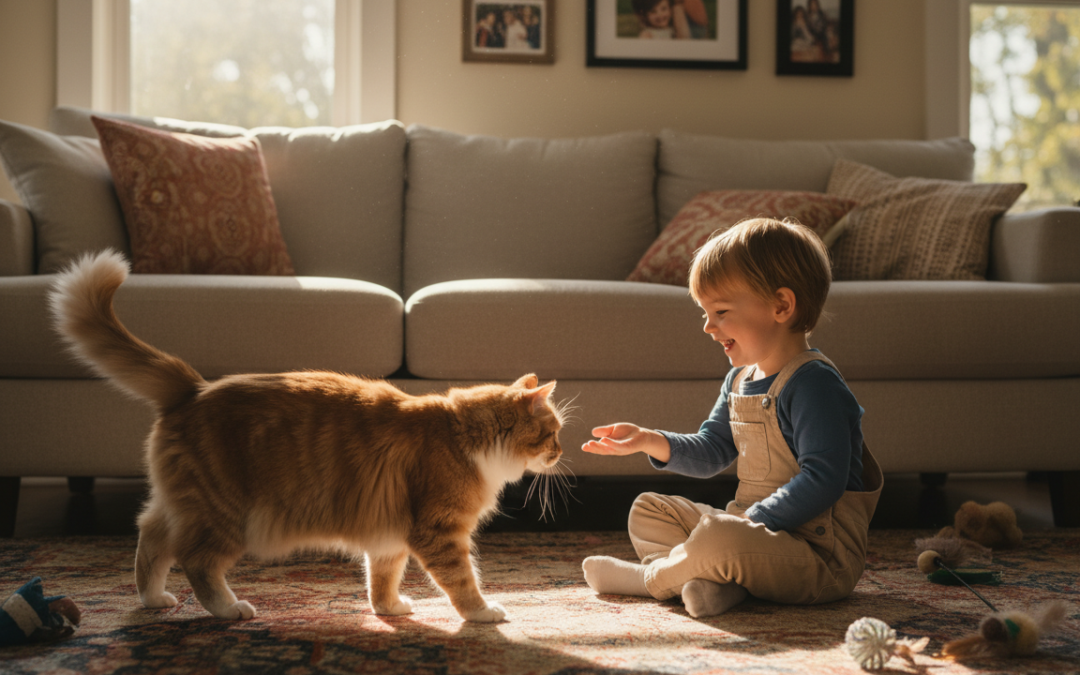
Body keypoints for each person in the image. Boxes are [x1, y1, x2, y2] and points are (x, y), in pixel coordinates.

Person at [580, 218, 883, 618]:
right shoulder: (740, 379)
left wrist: (748, 524)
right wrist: (649, 440)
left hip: (817, 557)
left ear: (781, 306)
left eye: (720, 311)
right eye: (705, 313)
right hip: (749, 532)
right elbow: (713, 449)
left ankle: (649, 581)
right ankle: (717, 587)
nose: (708, 327)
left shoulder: (814, 384)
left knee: (720, 536)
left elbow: (823, 480)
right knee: (648, 509)